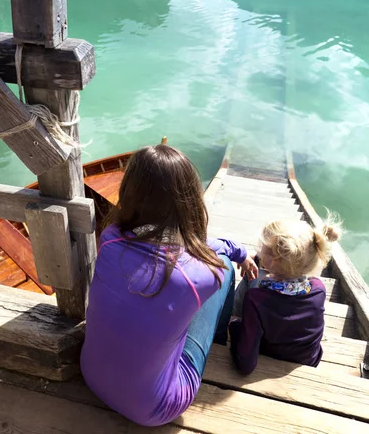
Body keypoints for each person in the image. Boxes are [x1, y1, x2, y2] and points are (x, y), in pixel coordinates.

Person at [81, 145, 258, 427]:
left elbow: (183, 245)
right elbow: (201, 249)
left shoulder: (111, 238)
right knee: (223, 270)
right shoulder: (202, 275)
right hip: (155, 409)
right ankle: (220, 340)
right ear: (189, 201)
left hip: (91, 375)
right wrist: (237, 252)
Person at [230, 217, 342, 375]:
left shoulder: (256, 299)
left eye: (263, 247)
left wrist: (235, 328)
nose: (260, 250)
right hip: (308, 360)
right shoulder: (318, 289)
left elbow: (245, 364)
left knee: (238, 319)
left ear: (274, 261)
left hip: (270, 355)